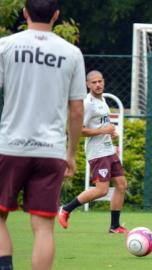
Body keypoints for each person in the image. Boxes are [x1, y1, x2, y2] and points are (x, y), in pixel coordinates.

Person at [0, 0, 86, 269]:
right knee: (43, 227)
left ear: (24, 12)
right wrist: (71, 153)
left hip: (10, 146)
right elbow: (76, 110)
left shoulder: (6, 46)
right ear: (56, 15)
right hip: (51, 151)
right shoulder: (71, 53)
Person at [58, 70, 128, 234]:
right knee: (102, 190)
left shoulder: (102, 100)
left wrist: (110, 132)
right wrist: (104, 130)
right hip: (98, 153)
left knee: (121, 184)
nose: (98, 85)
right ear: (88, 85)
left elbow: (101, 125)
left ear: (103, 82)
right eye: (94, 82)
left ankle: (114, 226)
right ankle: (66, 209)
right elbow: (78, 130)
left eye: (100, 81)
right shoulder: (87, 103)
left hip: (109, 150)